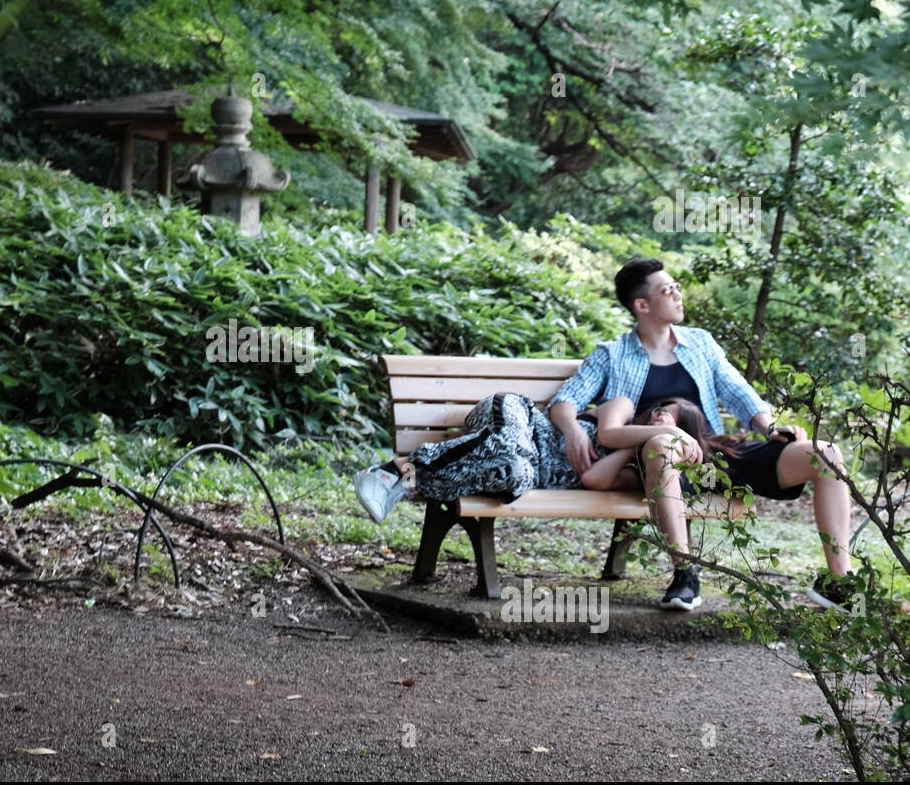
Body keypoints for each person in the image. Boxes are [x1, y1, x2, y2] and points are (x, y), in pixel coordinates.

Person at [546, 258, 852, 612]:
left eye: (677, 286)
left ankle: (839, 582)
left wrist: (769, 426)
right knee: (662, 442)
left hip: (714, 455)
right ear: (642, 306)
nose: (678, 294)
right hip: (658, 463)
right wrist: (572, 430)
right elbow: (565, 400)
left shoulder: (700, 343)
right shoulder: (611, 355)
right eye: (668, 290)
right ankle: (685, 573)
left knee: (825, 453)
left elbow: (738, 392)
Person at [353, 396, 642, 522]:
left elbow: (592, 479)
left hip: (529, 473)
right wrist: (654, 432)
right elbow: (608, 434)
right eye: (666, 410)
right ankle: (395, 471)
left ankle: (395, 478)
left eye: (679, 422)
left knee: (511, 470)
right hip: (519, 419)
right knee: (507, 447)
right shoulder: (625, 408)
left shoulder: (631, 469)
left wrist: (637, 447)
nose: (666, 418)